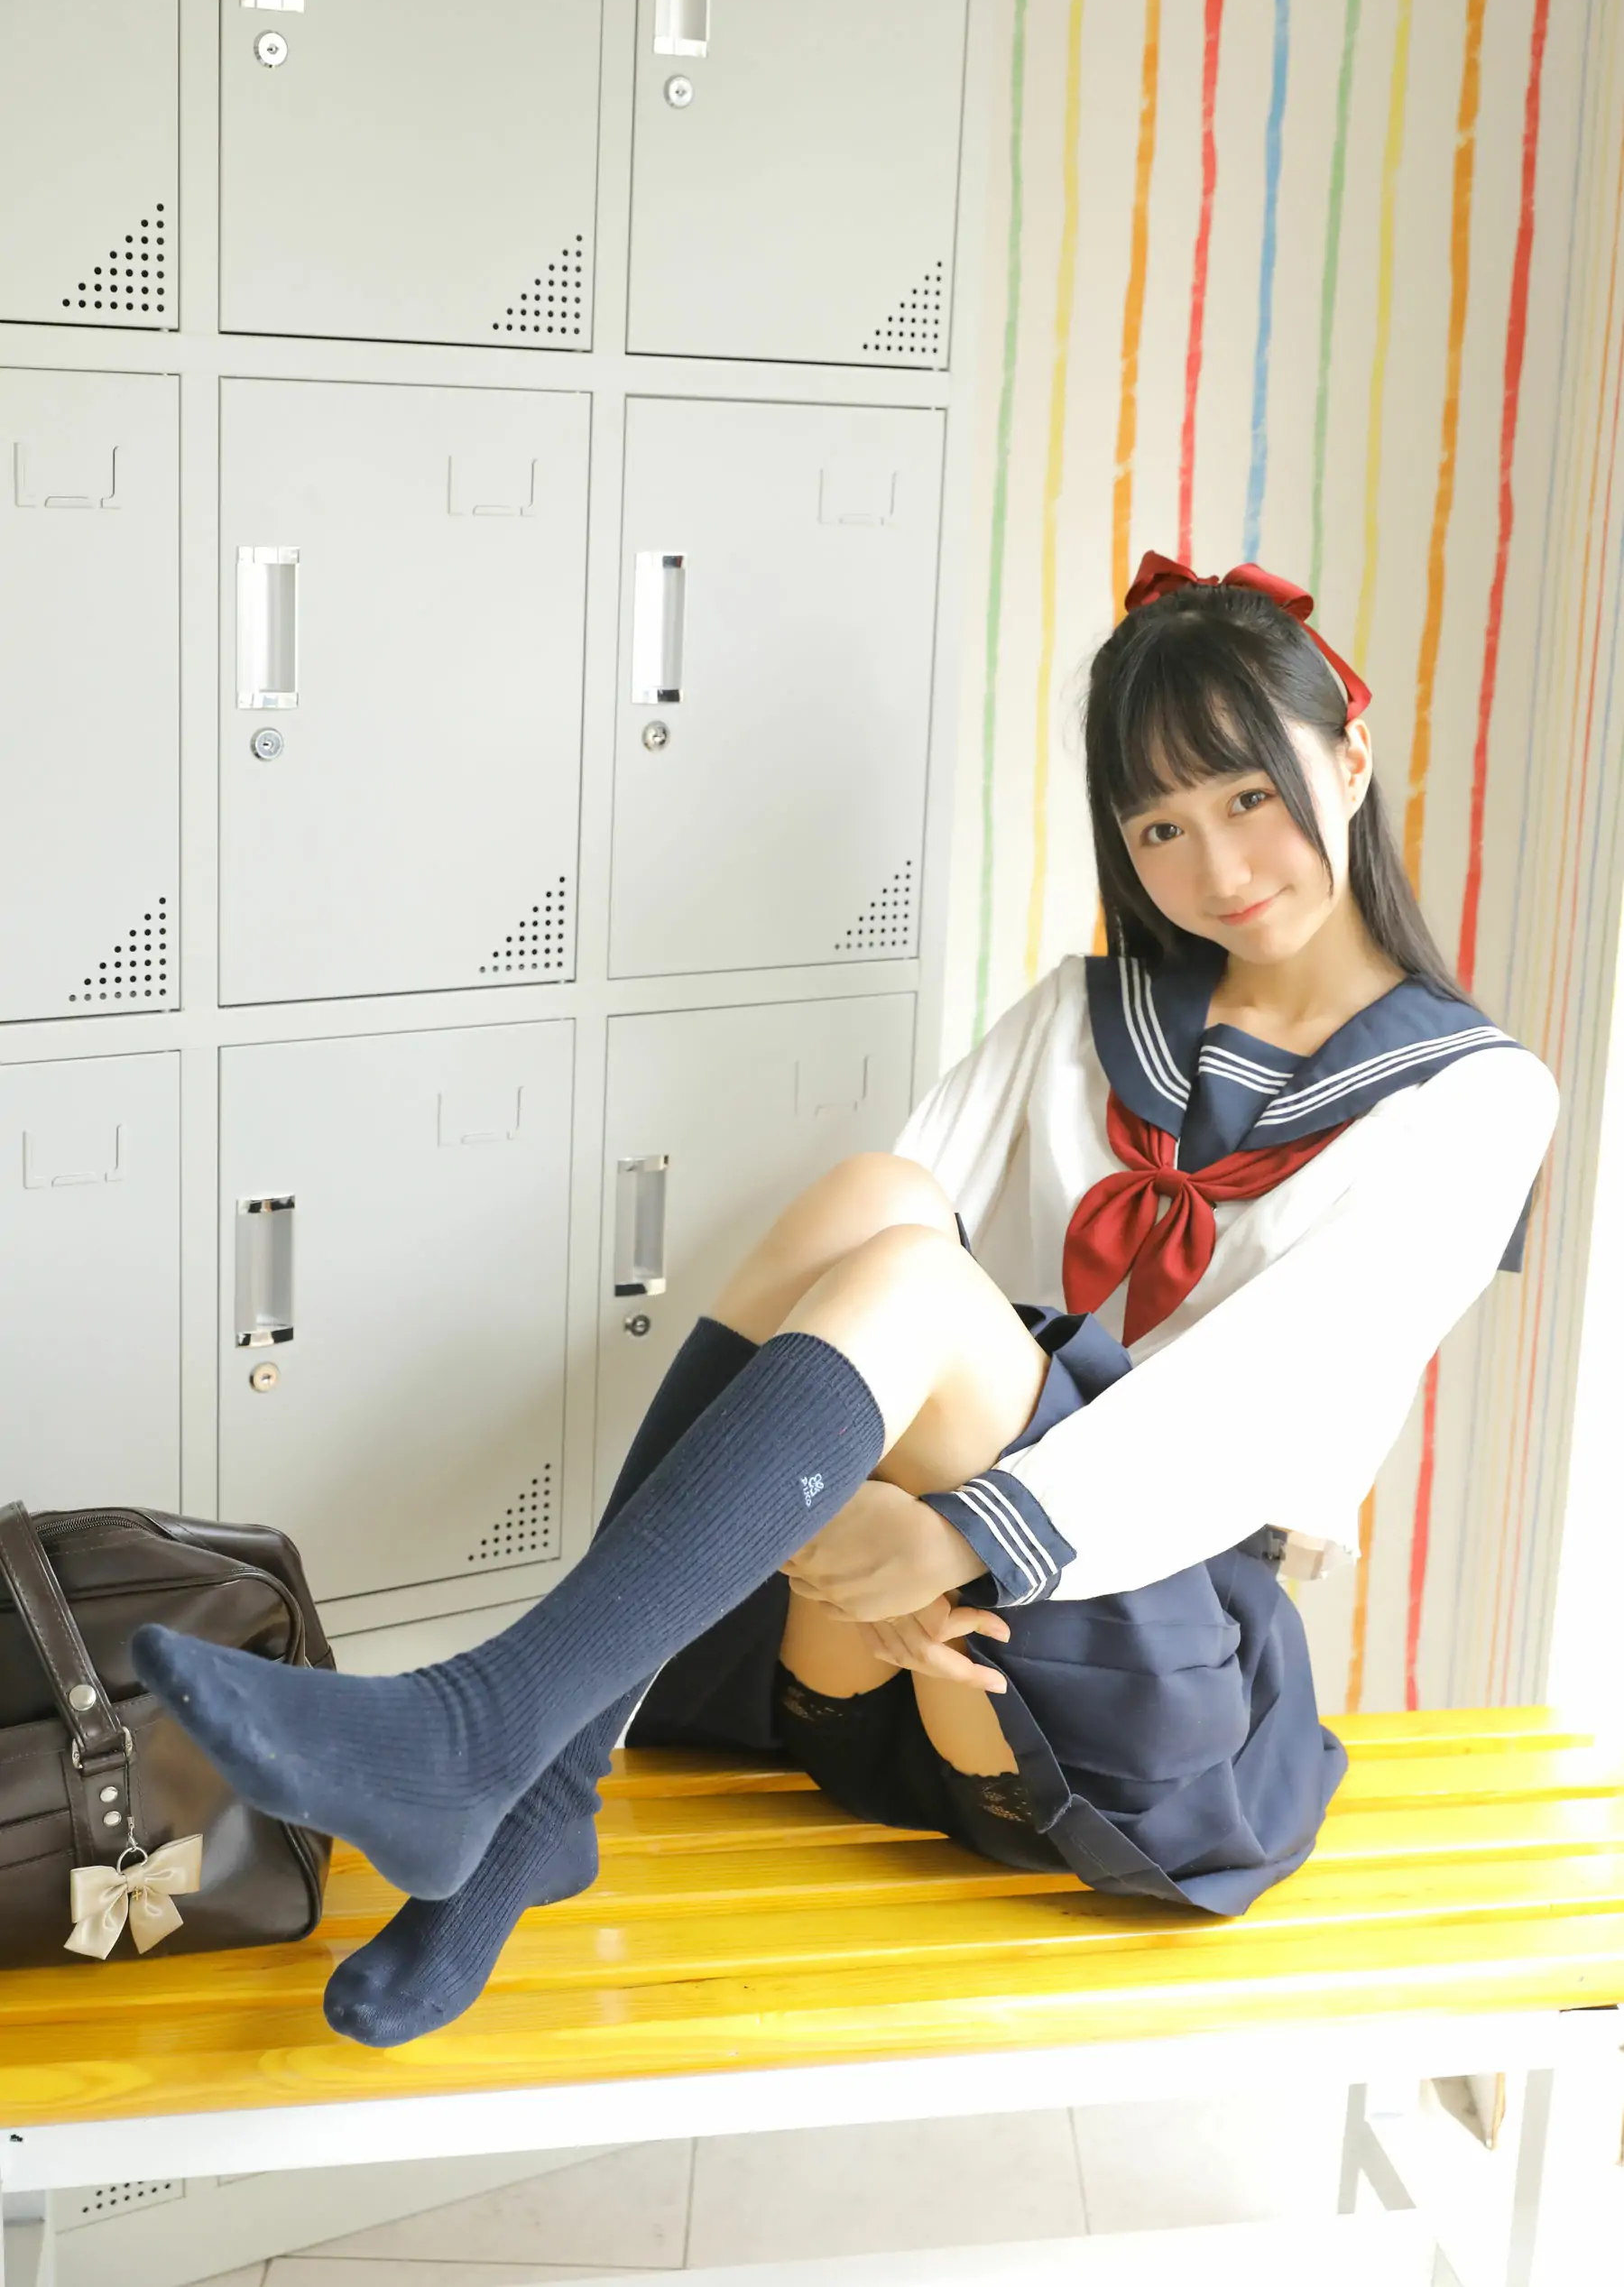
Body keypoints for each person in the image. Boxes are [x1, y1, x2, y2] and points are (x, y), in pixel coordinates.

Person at [132, 551, 1560, 2047]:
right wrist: (875, 1512)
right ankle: (537, 1787)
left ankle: (503, 1747)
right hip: (894, 1663)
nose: (1218, 866)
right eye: (1160, 825)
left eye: (1250, 796)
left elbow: (1263, 1405)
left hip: (1159, 1694)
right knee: (873, 1201)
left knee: (917, 1272)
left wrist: (956, 1533)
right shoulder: (1083, 1020)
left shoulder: (1477, 1100)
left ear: (1350, 758)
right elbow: (856, 1299)